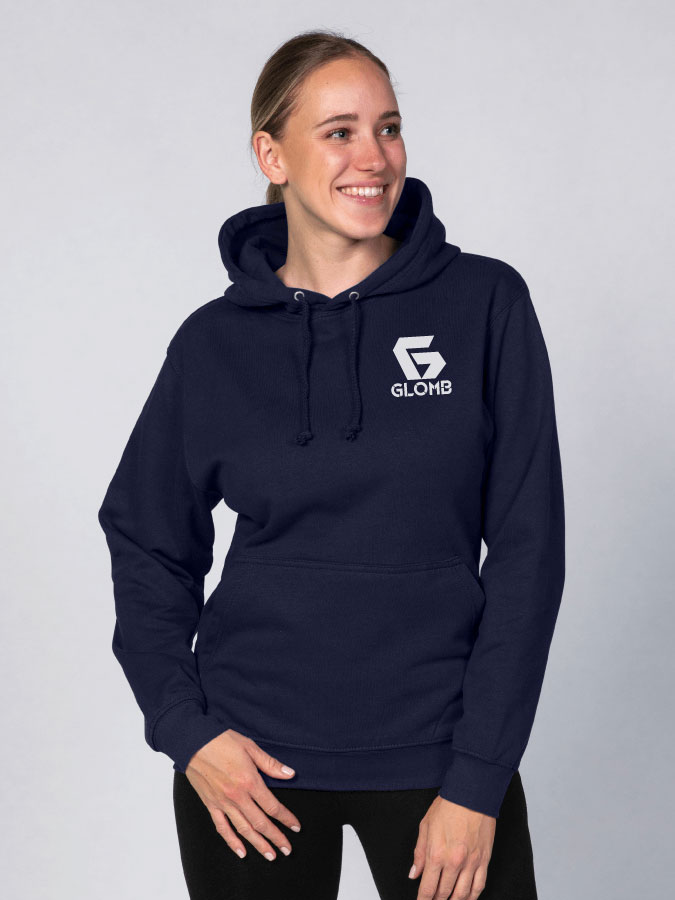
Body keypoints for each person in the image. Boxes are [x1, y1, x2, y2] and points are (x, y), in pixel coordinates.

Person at [97, 29, 565, 900]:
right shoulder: (213, 344)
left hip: (441, 756)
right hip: (250, 768)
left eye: (387, 128)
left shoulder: (483, 303)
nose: (373, 157)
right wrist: (187, 730)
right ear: (271, 155)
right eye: (339, 132)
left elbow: (528, 552)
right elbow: (146, 540)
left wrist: (479, 777)